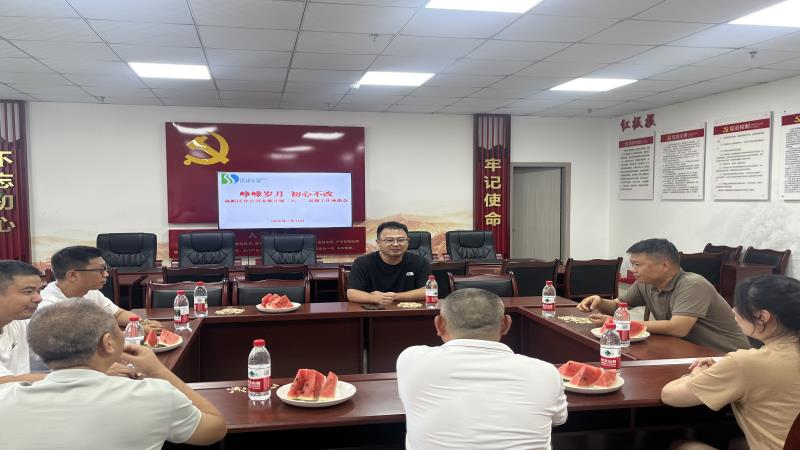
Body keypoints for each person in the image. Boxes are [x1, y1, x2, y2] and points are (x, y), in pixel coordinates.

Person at [0, 301, 227, 449]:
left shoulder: (5, 398)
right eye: (119, 330)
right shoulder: (154, 395)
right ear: (108, 343)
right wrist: (159, 371)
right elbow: (215, 429)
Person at [397, 288, 567, 450]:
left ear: (439, 324)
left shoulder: (411, 360)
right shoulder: (546, 373)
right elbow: (559, 419)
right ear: (506, 324)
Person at [661, 275, 800, 450]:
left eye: (739, 306)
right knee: (737, 443)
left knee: (681, 445)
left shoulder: (745, 363)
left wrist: (698, 373)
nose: (733, 311)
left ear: (762, 316)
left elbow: (670, 396)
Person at [577, 238, 750, 353]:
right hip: (687, 351)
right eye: (632, 264)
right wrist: (600, 302)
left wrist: (620, 324)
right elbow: (618, 306)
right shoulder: (645, 283)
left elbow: (678, 328)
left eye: (638, 265)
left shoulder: (692, 284)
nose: (633, 270)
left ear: (665, 265)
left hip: (725, 356)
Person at [40, 245, 163, 333]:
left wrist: (142, 323)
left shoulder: (90, 292)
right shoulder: (48, 308)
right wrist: (135, 332)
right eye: (100, 270)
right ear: (73, 275)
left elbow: (117, 314)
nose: (106, 274)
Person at [347, 221, 431, 305]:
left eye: (401, 240)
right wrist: (375, 298)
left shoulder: (420, 262)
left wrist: (393, 296)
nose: (396, 244)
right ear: (378, 243)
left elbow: (427, 291)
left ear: (408, 241)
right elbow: (352, 294)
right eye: (389, 240)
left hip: (409, 310)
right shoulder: (362, 262)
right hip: (373, 310)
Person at [0, 260, 46, 384]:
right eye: (28, 292)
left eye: (39, 291)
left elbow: (56, 351)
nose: (39, 298)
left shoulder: (18, 322)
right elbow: (5, 383)